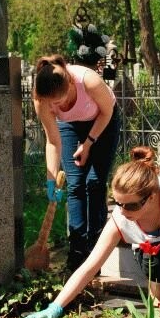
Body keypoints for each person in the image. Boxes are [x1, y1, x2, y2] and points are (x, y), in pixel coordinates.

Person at [22, 146, 160, 318]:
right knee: (152, 256)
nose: (122, 211)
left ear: (151, 197)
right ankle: (156, 292)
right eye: (117, 203)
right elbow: (90, 266)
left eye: (131, 205)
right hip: (155, 258)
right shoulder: (119, 219)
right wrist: (56, 306)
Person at [33, 54, 121, 272]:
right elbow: (53, 141)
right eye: (52, 104)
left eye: (59, 102)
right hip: (70, 127)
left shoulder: (88, 81)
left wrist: (89, 143)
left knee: (94, 182)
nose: (56, 106)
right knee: (75, 185)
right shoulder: (41, 98)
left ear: (71, 84)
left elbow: (107, 112)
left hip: (103, 121)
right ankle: (77, 253)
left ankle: (95, 252)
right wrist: (51, 180)